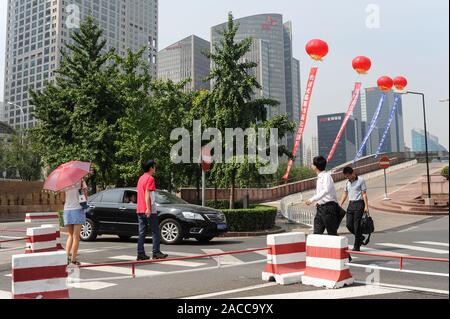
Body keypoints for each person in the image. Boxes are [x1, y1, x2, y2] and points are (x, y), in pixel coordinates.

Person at [136, 160, 168, 261]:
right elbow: (147, 193)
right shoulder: (150, 178)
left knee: (142, 232)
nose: (155, 168)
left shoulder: (141, 178)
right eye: (154, 166)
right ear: (151, 168)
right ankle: (156, 252)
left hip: (140, 208)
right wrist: (149, 208)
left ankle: (140, 253)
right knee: (155, 231)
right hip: (148, 209)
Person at [305, 156, 340, 236]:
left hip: (328, 208)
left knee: (332, 233)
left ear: (316, 166)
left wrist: (312, 199)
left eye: (312, 164)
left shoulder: (326, 176)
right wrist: (317, 202)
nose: (311, 165)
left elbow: (326, 190)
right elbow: (321, 192)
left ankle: (336, 248)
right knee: (317, 233)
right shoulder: (320, 177)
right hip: (321, 208)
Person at [340, 166, 369, 251]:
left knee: (357, 226)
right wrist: (340, 203)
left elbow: (364, 194)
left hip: (359, 204)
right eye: (346, 176)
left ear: (352, 173)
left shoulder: (361, 180)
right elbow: (345, 193)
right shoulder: (347, 183)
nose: (347, 177)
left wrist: (366, 206)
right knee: (349, 225)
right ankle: (360, 237)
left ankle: (357, 246)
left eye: (348, 176)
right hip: (351, 204)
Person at [64, 178, 88, 266]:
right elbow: (85, 195)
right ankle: (73, 260)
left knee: (70, 235)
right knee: (76, 236)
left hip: (67, 210)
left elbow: (64, 197)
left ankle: (66, 258)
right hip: (77, 209)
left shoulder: (65, 182)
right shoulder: (81, 180)